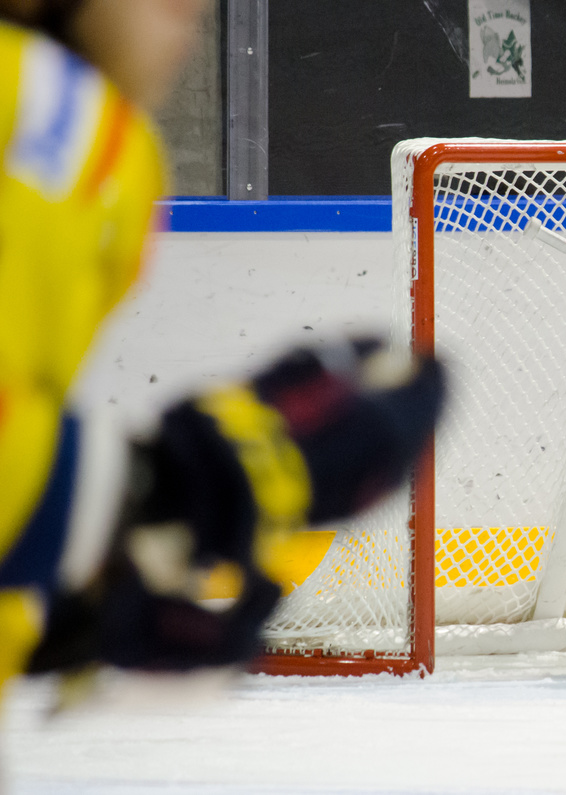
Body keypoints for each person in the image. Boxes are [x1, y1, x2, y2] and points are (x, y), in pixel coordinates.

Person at [0, 0, 444, 697]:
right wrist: (155, 490)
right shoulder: (43, 106)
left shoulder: (115, 155)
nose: (191, 9)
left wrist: (77, 597)